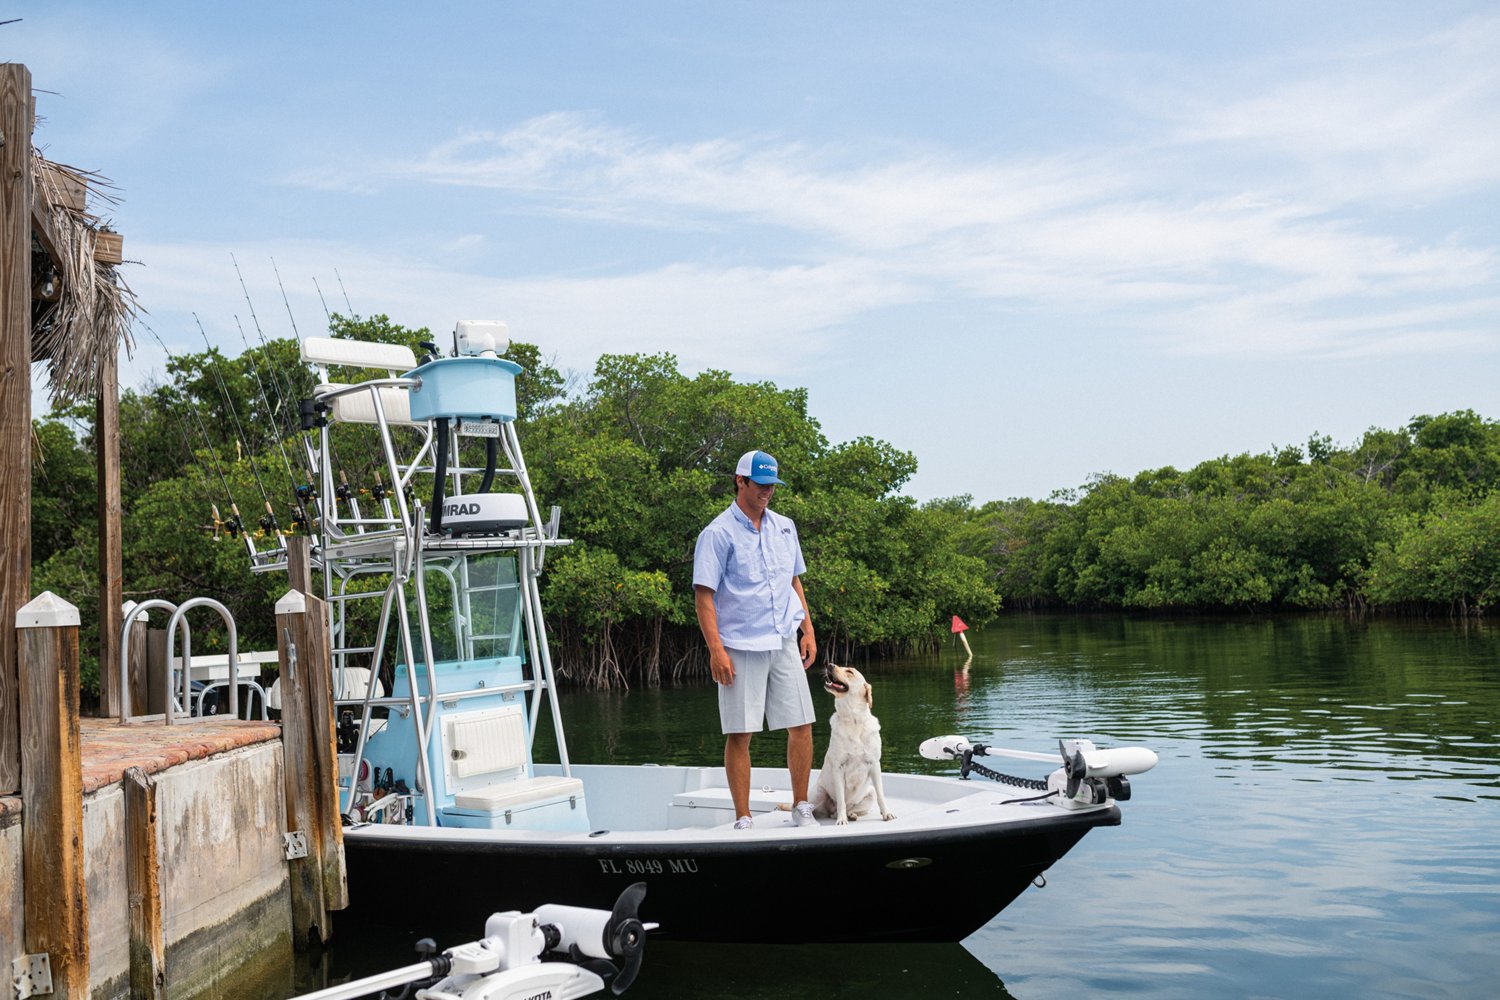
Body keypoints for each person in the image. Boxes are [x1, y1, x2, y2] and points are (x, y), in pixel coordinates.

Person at [693, 449, 818, 830]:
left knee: (802, 724)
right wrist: (716, 650)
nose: (767, 492)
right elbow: (704, 596)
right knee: (740, 732)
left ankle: (801, 806)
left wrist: (807, 628)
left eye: (772, 486)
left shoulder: (785, 526)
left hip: (783, 637)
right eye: (760, 485)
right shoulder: (717, 533)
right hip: (740, 645)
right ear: (740, 481)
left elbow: (794, 580)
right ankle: (743, 816)